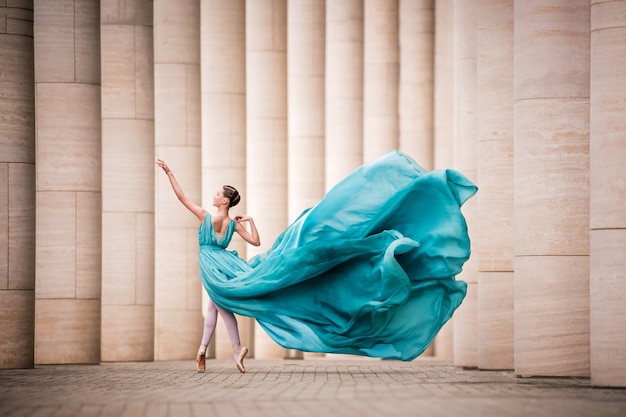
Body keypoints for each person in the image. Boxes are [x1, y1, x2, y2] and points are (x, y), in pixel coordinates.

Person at [156, 159, 260, 373]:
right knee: (213, 307)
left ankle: (236, 349)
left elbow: (181, 197)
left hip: (211, 266)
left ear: (224, 201)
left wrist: (169, 173)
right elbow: (256, 242)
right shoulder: (234, 224)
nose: (214, 196)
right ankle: (203, 351)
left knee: (221, 307)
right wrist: (250, 220)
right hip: (226, 265)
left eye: (217, 194)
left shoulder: (205, 217)